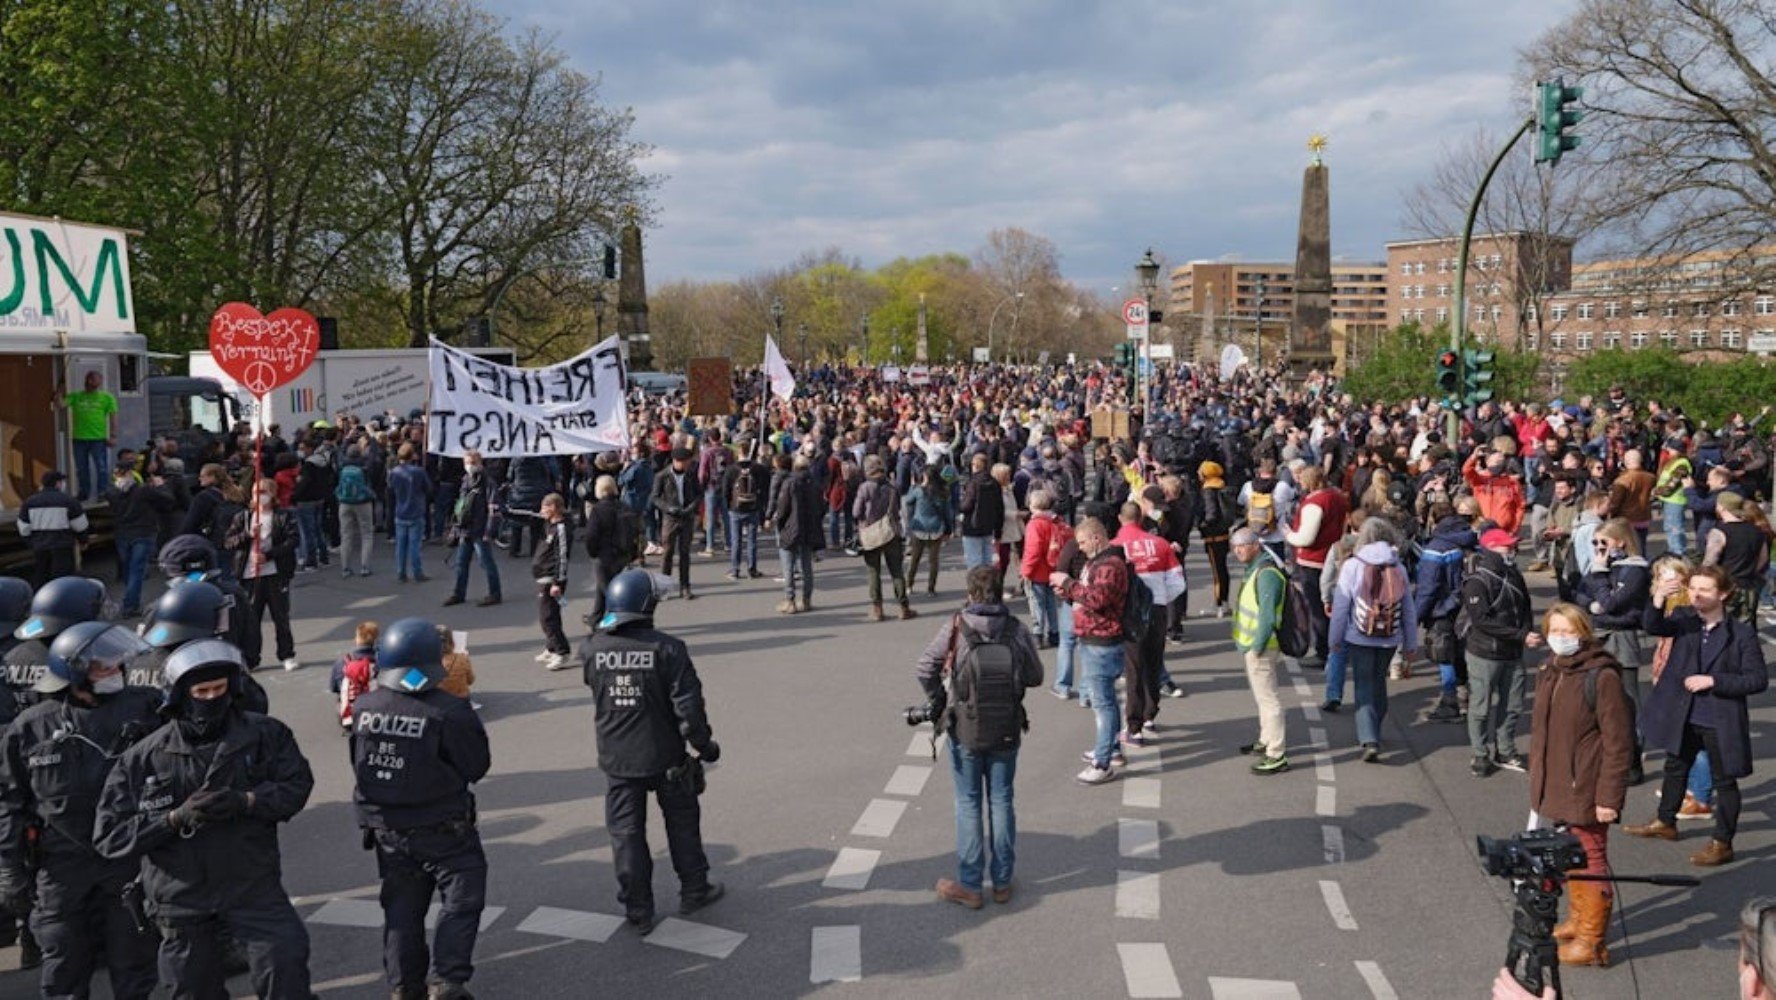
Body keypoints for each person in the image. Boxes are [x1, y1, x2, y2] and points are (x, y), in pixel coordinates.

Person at [93, 639, 316, 1000]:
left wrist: (248, 800)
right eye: (202, 690)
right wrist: (172, 819)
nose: (211, 698)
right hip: (181, 900)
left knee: (285, 965)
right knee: (190, 989)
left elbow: (296, 786)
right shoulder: (143, 758)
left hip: (251, 886)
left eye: (219, 689)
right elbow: (110, 837)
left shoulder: (265, 735)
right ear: (181, 694)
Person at [0, 622, 163, 1000]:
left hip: (126, 861)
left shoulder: (146, 707)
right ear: (73, 673)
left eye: (116, 665)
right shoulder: (31, 728)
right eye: (102, 667)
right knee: (63, 966)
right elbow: (10, 803)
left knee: (135, 964)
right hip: (61, 868)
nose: (114, 673)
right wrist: (9, 869)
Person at [350, 617, 491, 1000]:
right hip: (444, 828)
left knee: (402, 911)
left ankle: (403, 987)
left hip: (388, 830)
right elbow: (476, 765)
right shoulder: (451, 710)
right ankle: (446, 979)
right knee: (461, 901)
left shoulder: (366, 706)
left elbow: (359, 763)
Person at [580, 569, 725, 931]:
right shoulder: (667, 648)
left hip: (618, 760)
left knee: (626, 834)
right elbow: (689, 712)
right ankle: (694, 890)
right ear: (647, 606)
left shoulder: (592, 650)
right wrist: (705, 747)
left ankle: (637, 908)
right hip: (666, 756)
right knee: (682, 824)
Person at [914, 566, 1043, 908]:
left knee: (968, 802)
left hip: (966, 728)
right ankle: (1002, 882)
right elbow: (1035, 676)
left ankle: (971, 884)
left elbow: (925, 666)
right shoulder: (1016, 629)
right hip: (1006, 727)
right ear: (1000, 592)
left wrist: (938, 699)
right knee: (1001, 801)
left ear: (971, 594)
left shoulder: (957, 626)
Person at [1626, 564, 1769, 867]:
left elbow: (1757, 679)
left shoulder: (1740, 634)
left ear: (1724, 594)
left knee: (1725, 781)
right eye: (1693, 589)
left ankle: (1722, 842)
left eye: (1705, 590)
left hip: (1719, 717)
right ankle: (1665, 822)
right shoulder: (1684, 620)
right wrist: (1657, 599)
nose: (1697, 595)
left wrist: (1714, 681)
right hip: (1683, 713)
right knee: (1675, 766)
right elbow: (1651, 626)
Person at [1527, 602, 1634, 967]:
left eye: (1568, 632)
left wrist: (1609, 797)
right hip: (1557, 782)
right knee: (1572, 855)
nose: (1561, 638)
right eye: (1554, 631)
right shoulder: (1550, 669)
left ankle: (1592, 941)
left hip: (1586, 786)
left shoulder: (1601, 677)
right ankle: (1577, 921)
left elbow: (1619, 743)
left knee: (1591, 858)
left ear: (1583, 633)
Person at [1329, 517, 1419, 763]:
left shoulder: (1353, 565)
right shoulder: (1397, 566)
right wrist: (1411, 644)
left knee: (1363, 685)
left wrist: (1334, 640)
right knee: (1378, 680)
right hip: (1390, 638)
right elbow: (1408, 609)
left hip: (1359, 635)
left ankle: (1369, 739)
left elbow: (1340, 608)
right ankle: (1376, 726)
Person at [1051, 516, 1131, 785]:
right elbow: (1090, 594)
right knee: (1106, 701)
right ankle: (1110, 749)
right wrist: (1070, 591)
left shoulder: (1109, 565)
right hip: (1094, 638)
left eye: (1083, 542)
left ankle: (1103, 762)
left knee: (1103, 704)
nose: (1081, 547)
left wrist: (1067, 583)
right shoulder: (1099, 562)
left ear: (1097, 538)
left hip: (1102, 641)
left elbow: (1097, 598)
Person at [1577, 517, 1651, 782]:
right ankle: (1603, 753)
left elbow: (1613, 603)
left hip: (1621, 637)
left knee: (1627, 699)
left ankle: (1633, 759)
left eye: (1603, 542)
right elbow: (1581, 595)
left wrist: (1599, 590)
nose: (1598, 547)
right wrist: (1595, 601)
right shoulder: (1601, 566)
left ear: (1620, 541)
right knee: (1595, 695)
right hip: (1598, 634)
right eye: (1595, 542)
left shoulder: (1635, 570)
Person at [1462, 528, 1537, 777]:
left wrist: (1527, 630)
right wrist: (1521, 635)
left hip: (1512, 652)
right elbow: (1482, 621)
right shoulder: (1477, 582)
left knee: (1513, 705)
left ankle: (1505, 749)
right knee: (1481, 706)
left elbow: (1525, 605)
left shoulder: (1514, 574)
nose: (1513, 550)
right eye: (1507, 547)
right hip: (1485, 652)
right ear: (1491, 549)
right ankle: (1480, 754)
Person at [1230, 527, 1291, 775]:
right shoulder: (1258, 569)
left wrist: (1256, 647)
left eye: (1242, 545)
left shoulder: (1266, 574)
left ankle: (1276, 753)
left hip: (1263, 647)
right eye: (1235, 547)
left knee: (1269, 700)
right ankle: (1266, 740)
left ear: (1256, 545)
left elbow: (1266, 617)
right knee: (1262, 698)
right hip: (1256, 646)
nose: (1238, 551)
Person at [1417, 501, 1476, 723]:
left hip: (1443, 608)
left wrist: (1417, 614)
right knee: (1462, 653)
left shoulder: (1436, 548)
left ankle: (1450, 701)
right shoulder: (1470, 538)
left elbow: (1428, 586)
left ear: (1433, 519)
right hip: (1469, 605)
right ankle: (1466, 698)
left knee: (1444, 654)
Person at [1283, 465, 1348, 669]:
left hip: (1313, 560)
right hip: (1333, 555)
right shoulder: (1337, 497)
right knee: (1333, 607)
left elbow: (1306, 537)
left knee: (1318, 609)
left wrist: (1288, 534)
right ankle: (1336, 647)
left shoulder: (1315, 503)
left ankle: (1323, 651)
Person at [238, 477, 301, 672]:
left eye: (264, 492)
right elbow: (228, 541)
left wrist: (269, 556)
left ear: (273, 494)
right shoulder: (245, 517)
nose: (260, 496)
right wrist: (247, 535)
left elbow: (292, 540)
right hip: (251, 575)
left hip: (275, 573)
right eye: (257, 492)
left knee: (280, 617)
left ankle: (287, 654)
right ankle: (251, 658)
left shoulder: (283, 516)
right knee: (251, 620)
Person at [105, 464, 174, 617]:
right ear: (130, 474)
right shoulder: (143, 490)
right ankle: (130, 605)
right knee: (137, 570)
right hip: (143, 532)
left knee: (128, 569)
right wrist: (161, 486)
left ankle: (130, 599)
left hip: (122, 533)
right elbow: (168, 500)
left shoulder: (111, 492)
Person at [854, 454, 917, 621]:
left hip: (870, 532)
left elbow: (856, 512)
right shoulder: (892, 487)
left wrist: (863, 521)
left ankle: (877, 609)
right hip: (891, 531)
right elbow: (896, 508)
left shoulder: (865, 488)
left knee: (873, 571)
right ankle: (904, 607)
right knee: (896, 570)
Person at [443, 450, 502, 608]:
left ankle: (495, 593)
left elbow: (493, 507)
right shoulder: (466, 480)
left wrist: (490, 530)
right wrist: (456, 527)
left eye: (471, 463)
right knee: (461, 563)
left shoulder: (487, 482)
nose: (468, 466)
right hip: (466, 529)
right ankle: (458, 593)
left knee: (486, 562)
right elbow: (461, 506)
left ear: (479, 463)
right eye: (466, 463)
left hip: (480, 529)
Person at [17, 471, 89, 587]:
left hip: (40, 547)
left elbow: (23, 528)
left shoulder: (29, 502)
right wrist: (83, 541)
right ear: (58, 484)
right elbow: (81, 525)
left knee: (41, 576)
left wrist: (32, 543)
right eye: (62, 482)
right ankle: (61, 603)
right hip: (62, 546)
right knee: (62, 580)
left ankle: (40, 601)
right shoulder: (69, 501)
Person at [772, 454, 822, 614]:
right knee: (807, 566)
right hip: (808, 528)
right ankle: (806, 599)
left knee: (788, 566)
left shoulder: (790, 483)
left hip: (791, 527)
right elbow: (822, 506)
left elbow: (782, 507)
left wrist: (778, 523)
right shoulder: (814, 483)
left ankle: (790, 600)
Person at [651, 447, 700, 599]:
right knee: (667, 553)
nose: (688, 465)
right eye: (686, 462)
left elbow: (699, 493)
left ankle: (685, 587)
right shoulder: (662, 476)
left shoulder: (691, 474)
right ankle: (664, 588)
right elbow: (655, 497)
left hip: (687, 517)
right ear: (677, 461)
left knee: (685, 553)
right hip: (670, 518)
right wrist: (668, 508)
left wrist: (691, 507)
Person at [534, 493, 574, 671]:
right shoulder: (549, 525)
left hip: (552, 579)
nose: (542, 511)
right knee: (549, 614)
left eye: (545, 507)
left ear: (554, 508)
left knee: (548, 617)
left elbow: (562, 557)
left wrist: (558, 582)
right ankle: (551, 646)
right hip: (543, 576)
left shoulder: (561, 529)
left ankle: (561, 651)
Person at [1020, 490, 1064, 647]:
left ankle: (1038, 633)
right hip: (1052, 569)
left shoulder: (1034, 524)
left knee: (1037, 603)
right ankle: (1054, 633)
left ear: (1033, 506)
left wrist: (1026, 571)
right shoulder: (1054, 522)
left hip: (1037, 571)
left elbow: (1033, 550)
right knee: (1051, 603)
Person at [64, 370, 117, 501]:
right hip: (79, 438)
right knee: (81, 468)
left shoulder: (107, 397)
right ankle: (84, 492)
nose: (99, 383)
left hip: (98, 438)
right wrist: (58, 393)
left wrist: (113, 435)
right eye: (96, 379)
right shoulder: (76, 396)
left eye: (100, 380)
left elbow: (113, 417)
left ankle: (102, 492)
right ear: (88, 380)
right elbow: (61, 404)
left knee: (101, 467)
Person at [904, 463, 953, 597]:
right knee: (934, 561)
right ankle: (931, 588)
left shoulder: (919, 490)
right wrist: (948, 530)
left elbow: (908, 500)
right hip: (936, 528)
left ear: (926, 476)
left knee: (915, 559)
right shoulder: (943, 491)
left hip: (919, 528)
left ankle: (909, 585)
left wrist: (912, 486)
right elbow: (948, 513)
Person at [722, 441, 767, 580]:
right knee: (752, 540)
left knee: (736, 540)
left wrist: (728, 504)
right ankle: (752, 569)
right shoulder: (758, 468)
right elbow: (765, 487)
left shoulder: (731, 469)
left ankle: (735, 569)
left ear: (738, 452)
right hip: (753, 507)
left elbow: (725, 490)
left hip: (736, 508)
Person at [390, 444, 432, 583]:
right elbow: (428, 488)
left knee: (401, 545)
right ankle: (417, 572)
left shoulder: (394, 472)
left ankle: (401, 572)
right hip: (415, 510)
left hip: (400, 510)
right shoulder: (418, 472)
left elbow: (390, 487)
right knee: (415, 545)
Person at [336, 446, 378, 577]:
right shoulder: (364, 467)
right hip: (363, 502)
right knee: (366, 534)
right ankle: (365, 566)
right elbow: (373, 458)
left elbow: (339, 452)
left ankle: (345, 568)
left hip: (345, 502)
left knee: (346, 535)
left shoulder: (343, 466)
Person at [958, 453, 1003, 571]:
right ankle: (988, 586)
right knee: (988, 560)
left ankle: (976, 587)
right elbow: (999, 507)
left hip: (972, 526)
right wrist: (998, 530)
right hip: (988, 526)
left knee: (974, 561)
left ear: (974, 465)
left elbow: (967, 505)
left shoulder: (973, 483)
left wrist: (958, 505)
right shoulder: (994, 483)